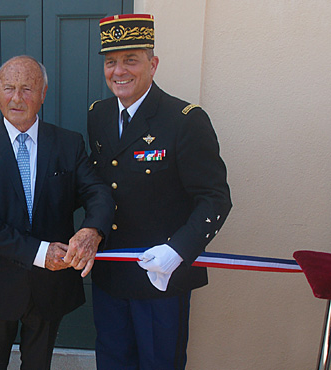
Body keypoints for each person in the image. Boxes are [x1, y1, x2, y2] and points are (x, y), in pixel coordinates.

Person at [88, 14, 232, 370]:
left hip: (160, 279)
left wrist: (177, 251)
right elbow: (100, 185)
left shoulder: (184, 120)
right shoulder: (99, 115)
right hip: (110, 276)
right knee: (111, 362)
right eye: (111, 62)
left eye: (130, 60)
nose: (118, 71)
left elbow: (215, 198)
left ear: (153, 64)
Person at [0, 55, 114, 370]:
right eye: (9, 88)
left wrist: (92, 230)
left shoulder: (68, 144)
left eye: (27, 88)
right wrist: (40, 252)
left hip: (50, 288)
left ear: (43, 94)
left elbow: (97, 192)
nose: (17, 98)